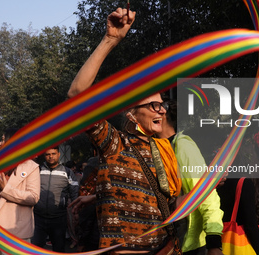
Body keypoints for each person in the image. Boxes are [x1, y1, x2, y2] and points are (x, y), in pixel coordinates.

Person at [67, 7, 182, 254]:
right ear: (132, 112)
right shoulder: (114, 143)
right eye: (154, 105)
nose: (162, 111)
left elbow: (144, 195)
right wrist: (110, 40)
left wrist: (96, 196)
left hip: (165, 248)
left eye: (162, 105)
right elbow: (77, 96)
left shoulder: (163, 149)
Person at [156, 99, 224, 255]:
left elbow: (204, 193)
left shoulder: (183, 146)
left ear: (164, 115)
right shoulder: (154, 147)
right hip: (164, 241)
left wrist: (214, 242)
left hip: (186, 244)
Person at [0, 128, 40, 255]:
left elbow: (33, 197)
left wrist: (7, 189)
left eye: (4, 140)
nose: (0, 143)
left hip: (15, 231)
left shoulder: (31, 167)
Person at [216, 138, 259, 255]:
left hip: (220, 241)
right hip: (240, 243)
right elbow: (250, 226)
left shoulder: (219, 182)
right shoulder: (244, 183)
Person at [31, 146, 79, 252]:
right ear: (44, 156)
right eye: (48, 154)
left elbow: (74, 193)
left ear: (58, 154)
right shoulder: (37, 170)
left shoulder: (67, 172)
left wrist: (76, 210)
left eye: (53, 154)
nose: (50, 157)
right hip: (38, 218)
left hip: (59, 219)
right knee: (35, 249)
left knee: (58, 249)